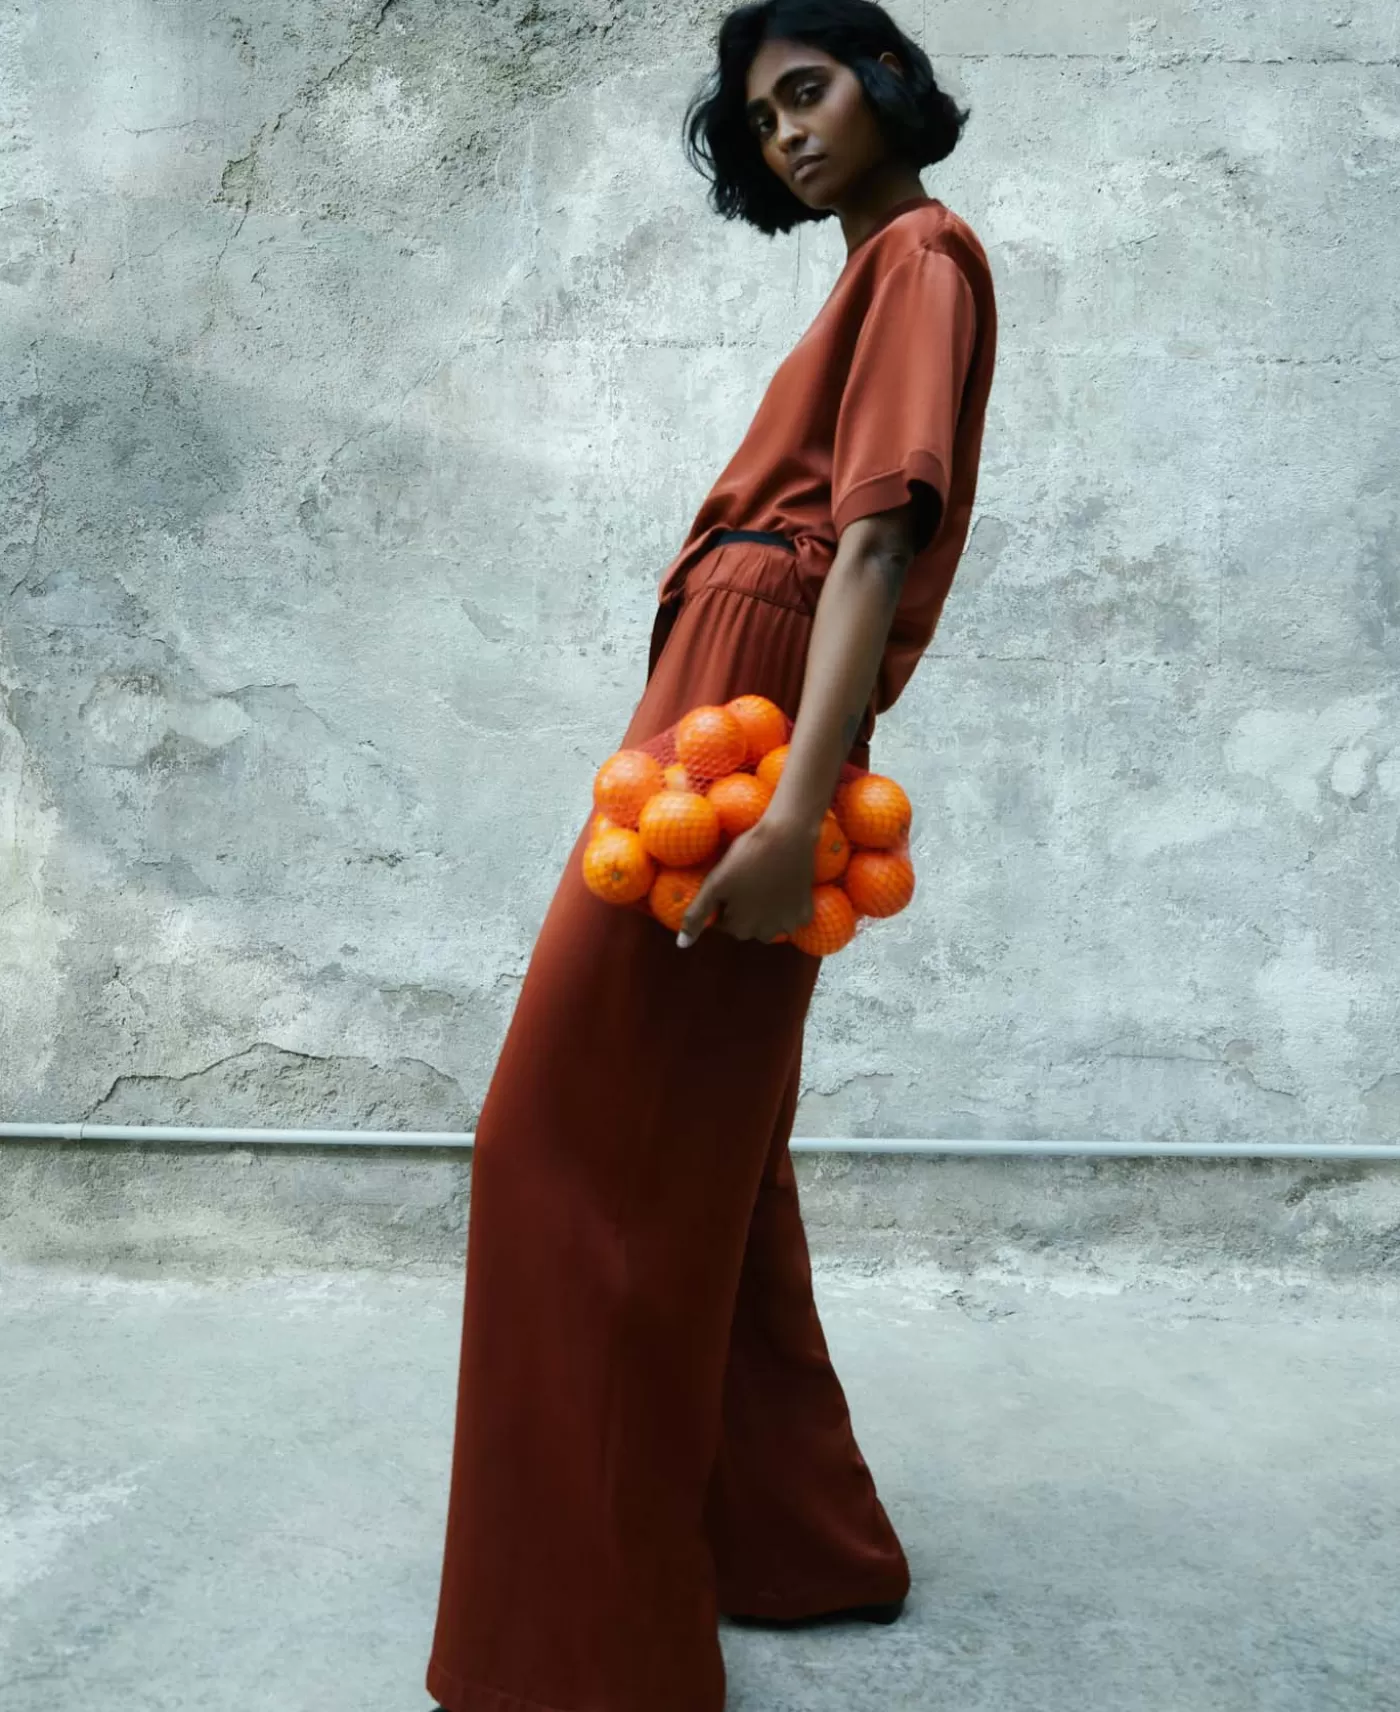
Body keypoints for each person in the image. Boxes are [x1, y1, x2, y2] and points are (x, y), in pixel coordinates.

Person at [425, 3, 997, 1709]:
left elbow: (876, 543)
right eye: (759, 120)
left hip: (756, 724)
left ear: (887, 80)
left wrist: (796, 805)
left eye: (807, 91)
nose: (787, 133)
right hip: (719, 707)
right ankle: (794, 1546)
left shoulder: (925, 258)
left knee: (559, 1150)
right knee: (710, 1157)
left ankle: (585, 1647)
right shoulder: (877, 269)